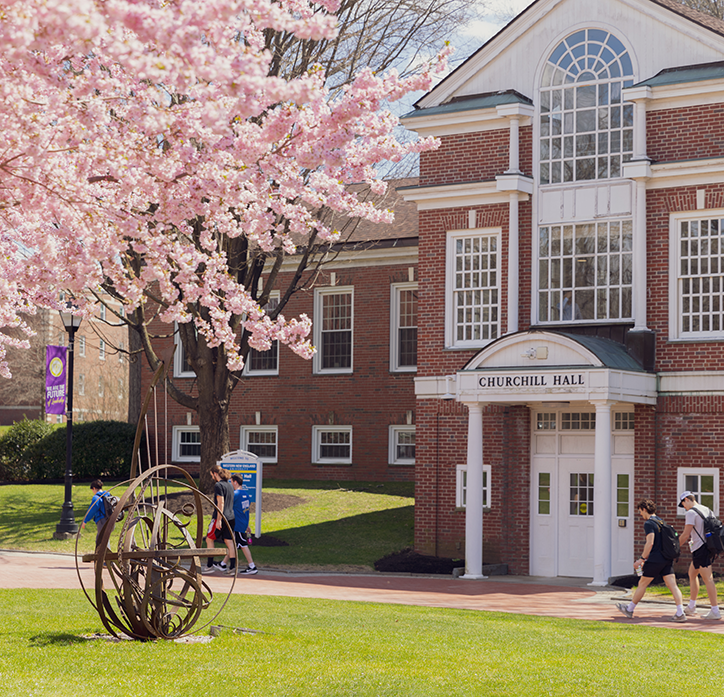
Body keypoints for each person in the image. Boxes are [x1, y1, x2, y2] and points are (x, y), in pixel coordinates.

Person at [616, 499, 686, 622]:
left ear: (644, 509)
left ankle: (630, 609)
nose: (640, 514)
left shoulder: (649, 523)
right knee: (673, 585)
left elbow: (650, 542)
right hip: (667, 558)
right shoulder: (661, 521)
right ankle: (680, 613)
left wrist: (641, 559)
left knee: (642, 584)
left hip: (655, 559)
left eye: (640, 511)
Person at [677, 491, 721, 620]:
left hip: (700, 548)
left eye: (683, 504)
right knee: (692, 573)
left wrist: (674, 546)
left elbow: (686, 534)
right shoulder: (706, 509)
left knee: (708, 579)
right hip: (707, 547)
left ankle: (715, 610)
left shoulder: (691, 513)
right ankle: (691, 606)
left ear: (687, 500)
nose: (684, 507)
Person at [202, 465, 236, 574]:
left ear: (215, 474)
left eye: (212, 475)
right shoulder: (230, 485)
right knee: (229, 541)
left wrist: (219, 519)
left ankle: (209, 565)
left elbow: (220, 503)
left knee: (209, 539)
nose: (212, 477)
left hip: (221, 517)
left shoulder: (218, 485)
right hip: (231, 517)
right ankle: (232, 567)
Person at [230, 474, 258, 575]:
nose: (231, 484)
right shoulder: (246, 495)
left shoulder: (235, 494)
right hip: (243, 523)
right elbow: (245, 511)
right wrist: (247, 525)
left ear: (235, 482)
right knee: (233, 544)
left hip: (237, 524)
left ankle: (252, 566)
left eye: (231, 481)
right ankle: (223, 564)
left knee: (242, 544)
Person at [80, 479, 109, 548]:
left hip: (101, 521)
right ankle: (99, 556)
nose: (93, 492)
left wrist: (85, 521)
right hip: (109, 519)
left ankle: (105, 556)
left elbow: (92, 511)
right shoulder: (108, 495)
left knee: (102, 540)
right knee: (101, 539)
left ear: (94, 488)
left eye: (92, 490)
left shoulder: (96, 498)